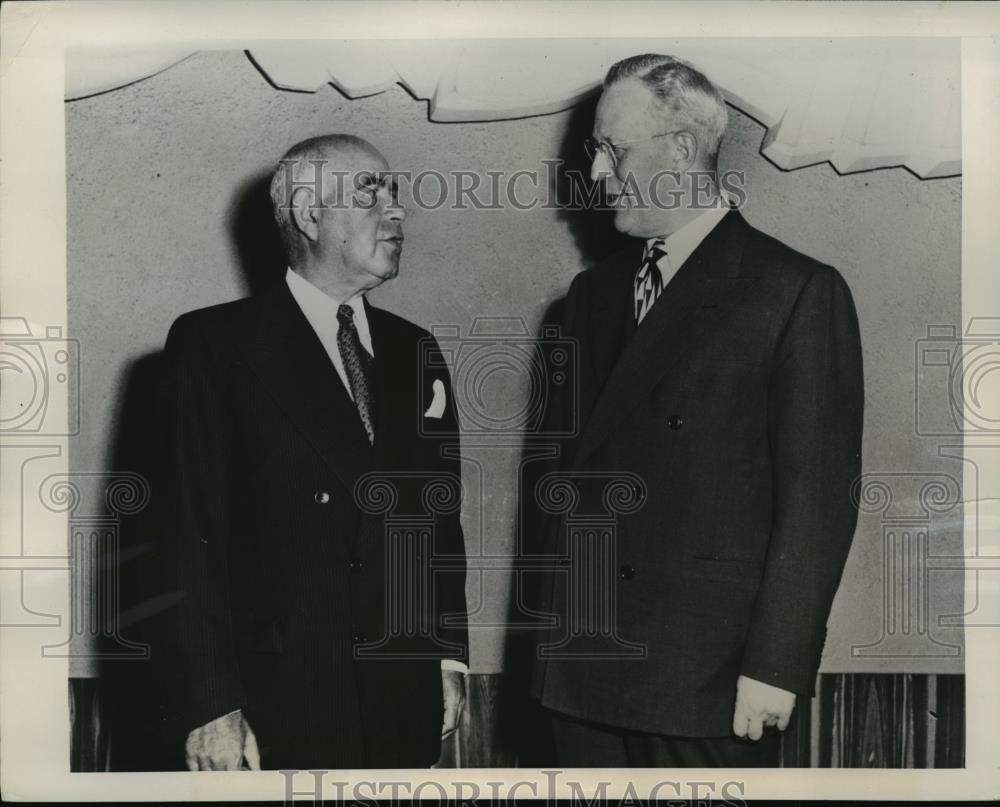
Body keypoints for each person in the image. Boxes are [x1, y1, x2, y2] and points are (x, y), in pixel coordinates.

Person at [526, 54, 864, 767]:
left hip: (705, 683)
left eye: (611, 151)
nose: (594, 175)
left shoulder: (794, 292)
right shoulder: (589, 300)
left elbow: (818, 503)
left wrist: (776, 664)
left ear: (680, 149)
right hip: (580, 676)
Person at [154, 135, 469, 770]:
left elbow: (439, 523)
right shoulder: (213, 345)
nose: (397, 210)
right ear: (308, 214)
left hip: (398, 695)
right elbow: (184, 537)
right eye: (369, 192)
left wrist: (446, 655)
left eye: (396, 193)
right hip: (276, 703)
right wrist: (211, 705)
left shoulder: (417, 351)